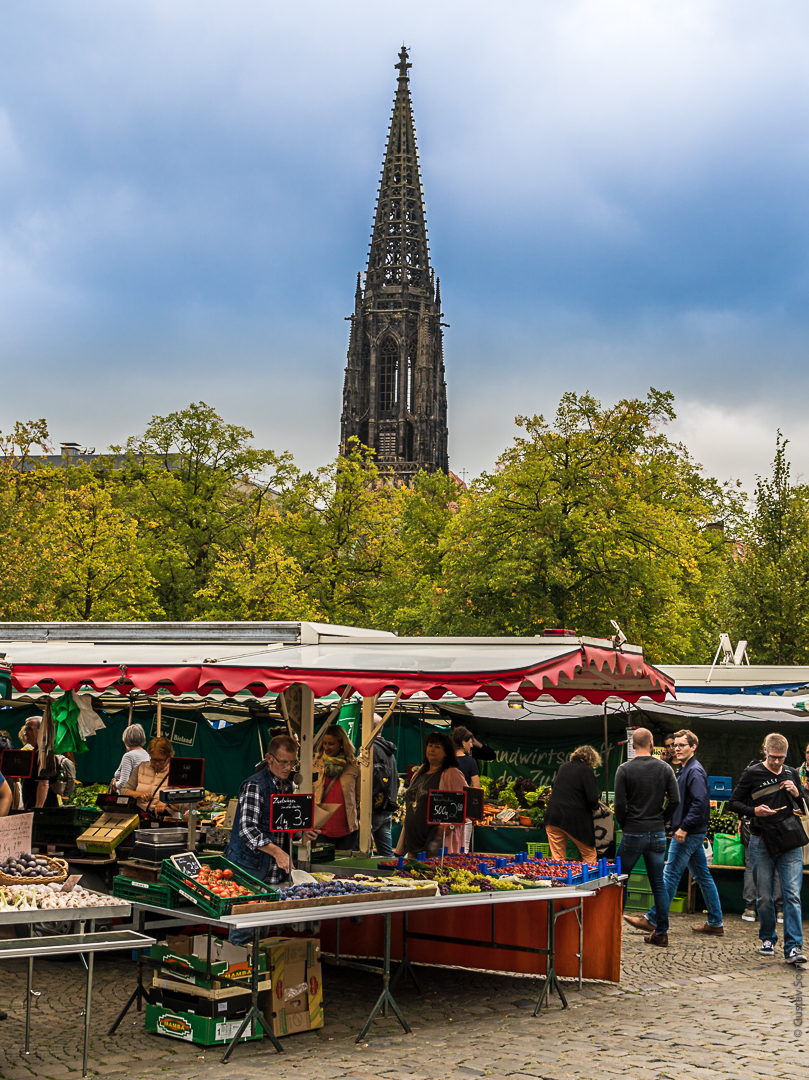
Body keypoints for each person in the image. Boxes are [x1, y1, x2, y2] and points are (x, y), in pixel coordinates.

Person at [625, 729, 724, 938]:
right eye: (674, 745)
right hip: (692, 832)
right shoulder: (684, 769)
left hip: (688, 833)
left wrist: (683, 828)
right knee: (702, 876)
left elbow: (699, 803)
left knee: (669, 875)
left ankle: (653, 919)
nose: (676, 749)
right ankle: (715, 921)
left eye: (682, 745)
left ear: (693, 747)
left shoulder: (694, 771)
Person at [225, 735, 316, 945]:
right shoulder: (255, 786)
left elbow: (284, 829)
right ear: (269, 758)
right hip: (250, 871)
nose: (288, 767)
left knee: (262, 932)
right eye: (283, 762)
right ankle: (237, 973)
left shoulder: (287, 787)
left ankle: (256, 974)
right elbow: (247, 830)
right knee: (244, 931)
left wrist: (303, 832)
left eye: (292, 762)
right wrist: (277, 852)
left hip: (273, 875)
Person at [728, 732, 807, 965]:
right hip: (761, 840)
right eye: (773, 757)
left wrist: (797, 793)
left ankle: (793, 947)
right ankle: (768, 938)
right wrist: (754, 811)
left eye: (781, 758)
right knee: (764, 896)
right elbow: (734, 802)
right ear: (765, 751)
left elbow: (804, 807)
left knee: (792, 894)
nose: (777, 762)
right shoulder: (752, 773)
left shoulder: (792, 773)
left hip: (789, 841)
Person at [615, 728, 679, 947]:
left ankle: (614, 929)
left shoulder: (624, 769)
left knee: (620, 881)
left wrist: (624, 824)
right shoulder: (665, 768)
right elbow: (675, 800)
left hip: (633, 831)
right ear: (652, 744)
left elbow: (619, 805)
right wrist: (662, 819)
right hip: (657, 833)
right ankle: (661, 932)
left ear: (633, 746)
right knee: (658, 884)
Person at [393, 732, 467, 859]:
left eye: (437, 747)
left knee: (431, 873)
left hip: (435, 839)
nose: (432, 749)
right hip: (414, 837)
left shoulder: (452, 774)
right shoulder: (420, 772)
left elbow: (465, 803)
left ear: (446, 752)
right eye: (430, 745)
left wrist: (450, 825)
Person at [544, 746, 602, 863]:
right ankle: (587, 880)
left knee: (557, 859)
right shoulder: (586, 771)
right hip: (575, 819)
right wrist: (596, 807)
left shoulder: (563, 767)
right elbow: (592, 799)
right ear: (591, 760)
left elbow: (554, 786)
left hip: (553, 816)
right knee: (589, 854)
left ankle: (558, 880)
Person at [314, 726, 361, 851]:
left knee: (344, 868)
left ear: (341, 744)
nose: (327, 747)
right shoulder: (315, 764)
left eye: (331, 744)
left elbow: (359, 797)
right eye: (324, 743)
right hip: (320, 830)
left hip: (347, 830)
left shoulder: (353, 765)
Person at [120, 737, 179, 819]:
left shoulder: (176, 771)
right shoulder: (141, 767)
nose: (157, 764)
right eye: (154, 760)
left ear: (169, 756)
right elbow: (123, 791)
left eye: (161, 760)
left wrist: (167, 801)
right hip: (139, 819)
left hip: (165, 822)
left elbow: (185, 802)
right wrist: (139, 794)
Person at [371, 715, 398, 858]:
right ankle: (393, 876)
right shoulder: (389, 751)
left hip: (374, 810)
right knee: (387, 854)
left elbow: (372, 782)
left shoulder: (371, 749)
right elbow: (396, 780)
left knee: (360, 849)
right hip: (387, 808)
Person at [452, 726, 481, 853]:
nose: (472, 745)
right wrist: (475, 812)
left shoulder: (446, 761)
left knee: (447, 847)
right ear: (463, 743)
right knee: (463, 846)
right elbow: (476, 788)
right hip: (464, 811)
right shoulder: (471, 762)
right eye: (470, 742)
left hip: (444, 809)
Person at [20, 716, 58, 809]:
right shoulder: (37, 752)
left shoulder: (43, 753)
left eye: (29, 730)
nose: (25, 734)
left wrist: (37, 810)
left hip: (43, 814)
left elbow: (44, 784)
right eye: (25, 730)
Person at [111, 724, 150, 792]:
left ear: (126, 739)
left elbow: (123, 784)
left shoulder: (129, 756)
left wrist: (114, 783)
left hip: (127, 798)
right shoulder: (147, 754)